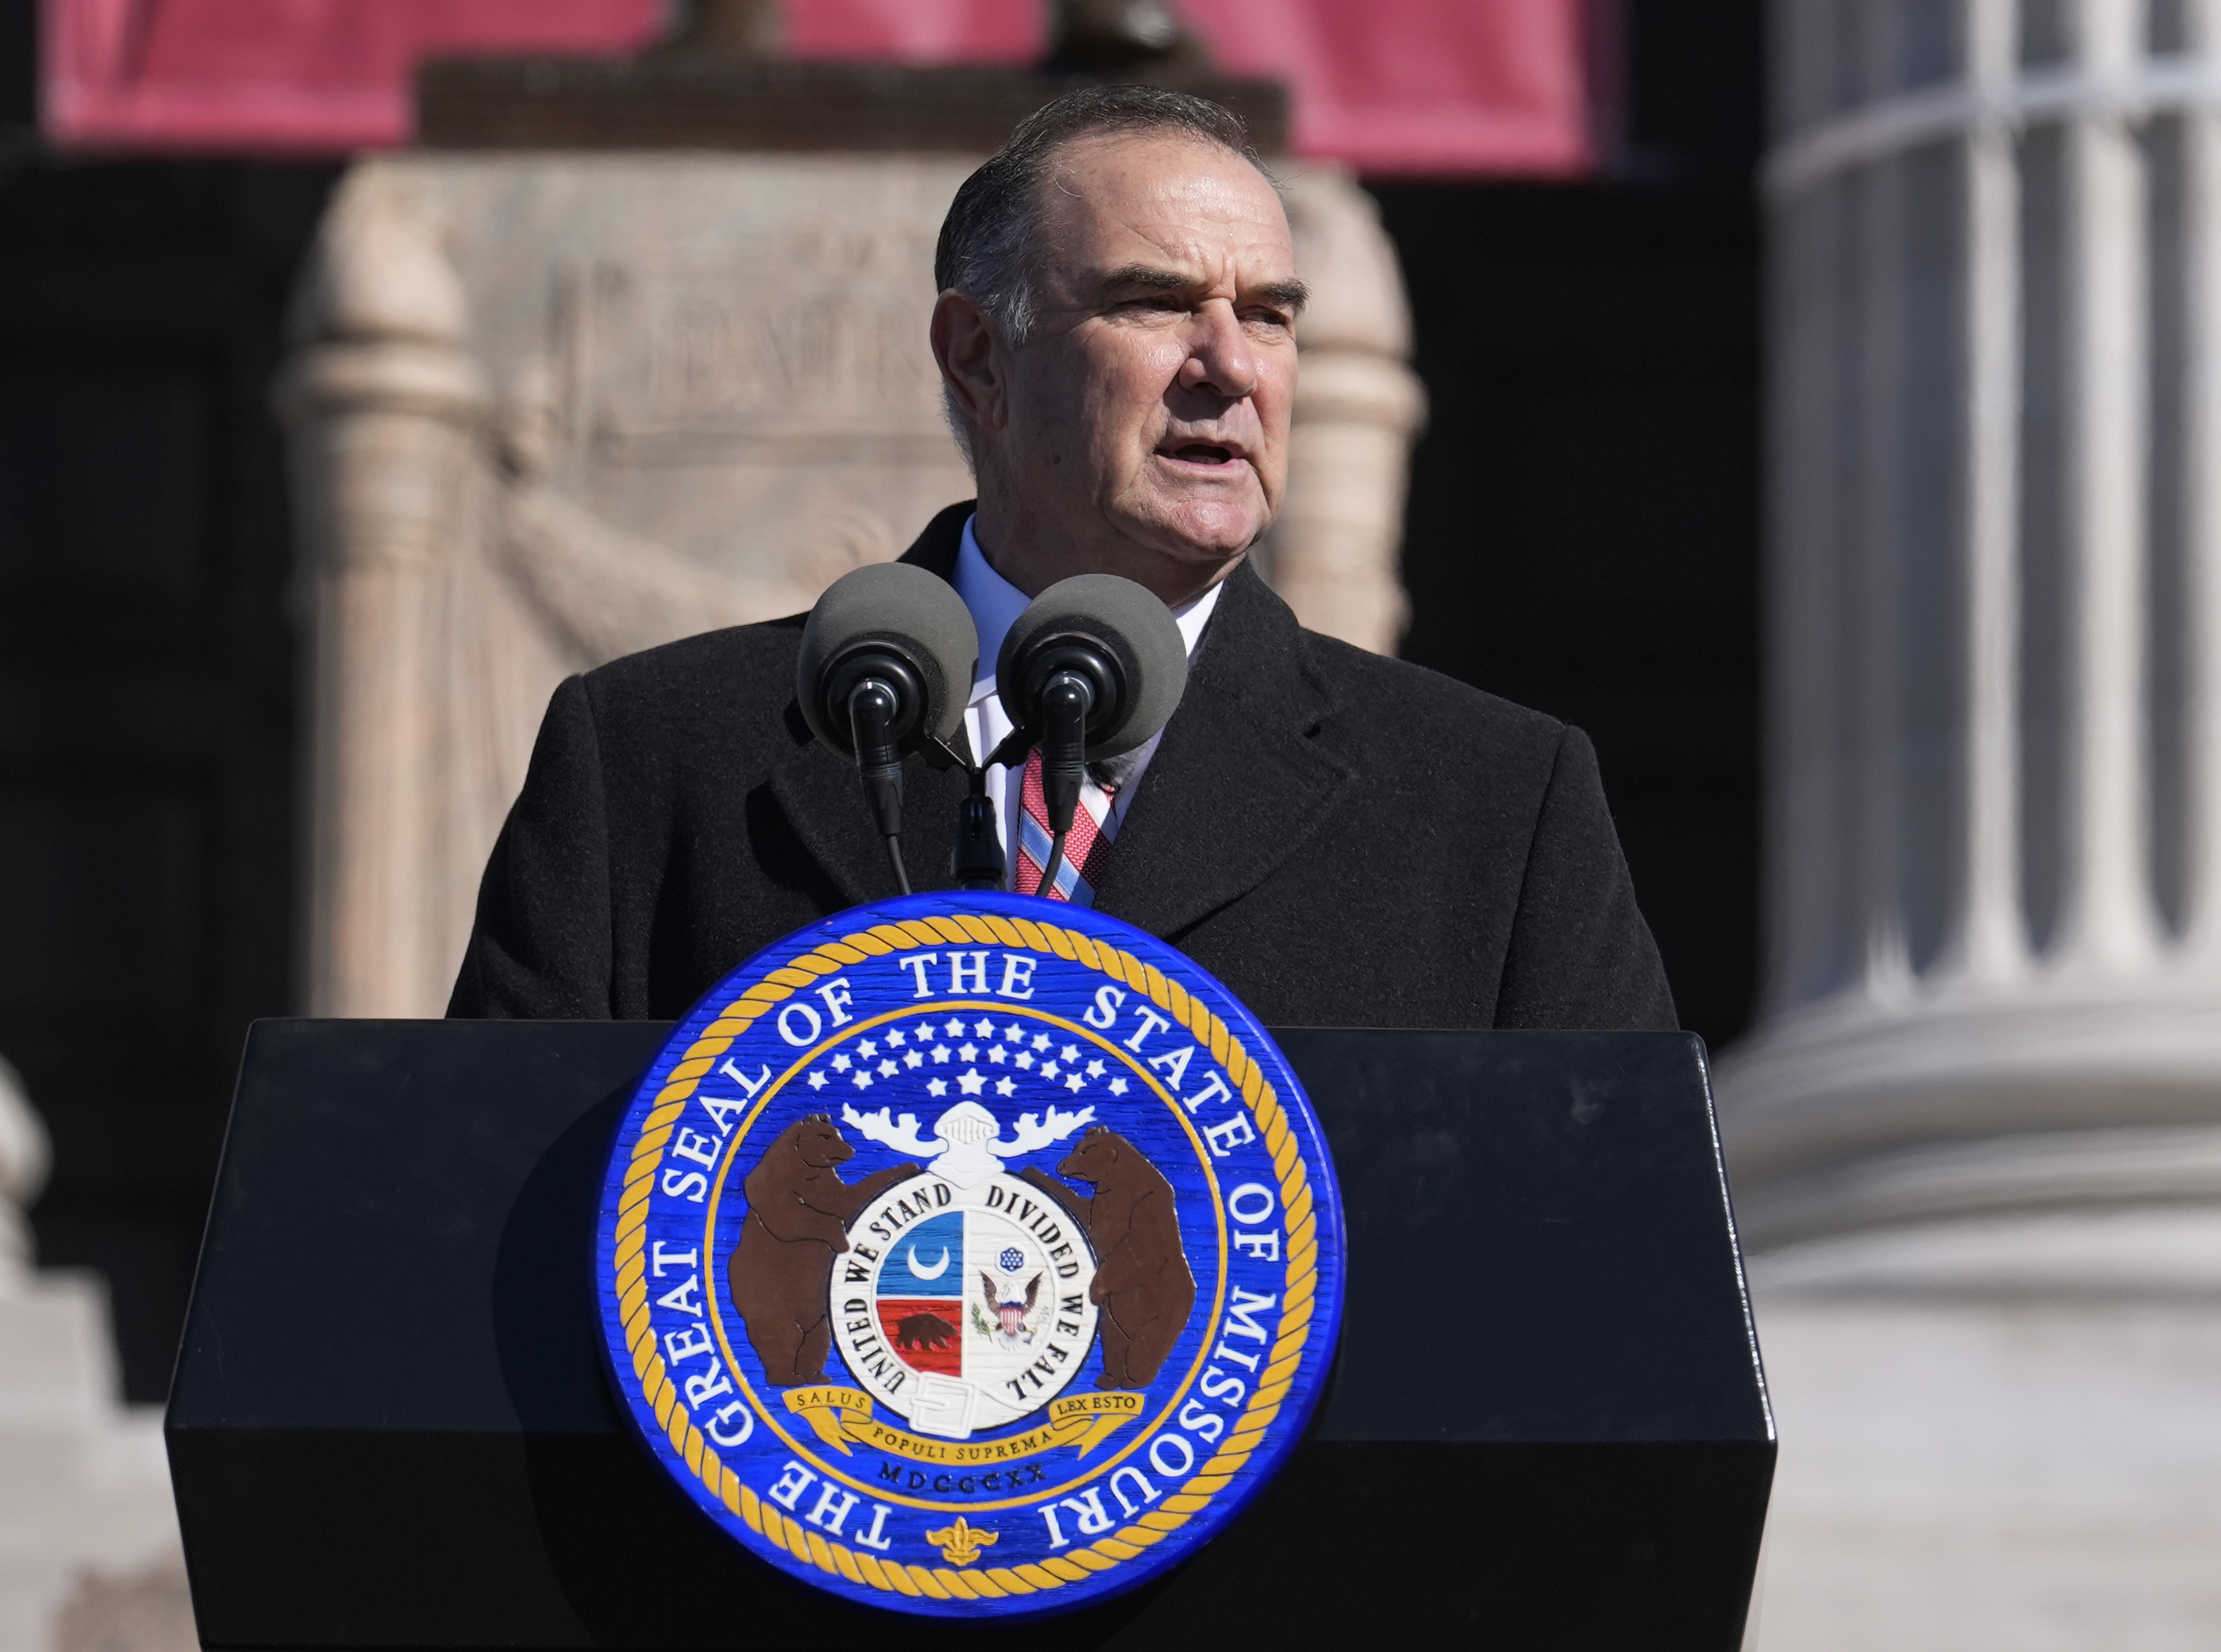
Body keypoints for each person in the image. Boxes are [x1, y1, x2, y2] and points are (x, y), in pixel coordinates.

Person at [448, 85, 1673, 1038]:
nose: (1231, 366)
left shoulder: (1494, 805)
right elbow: (480, 1209)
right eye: (1154, 303)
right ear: (977, 356)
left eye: (1268, 314)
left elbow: (1610, 1271)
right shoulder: (656, 759)